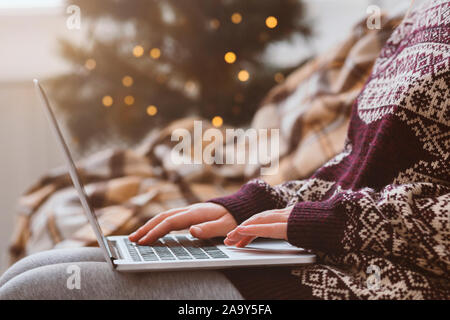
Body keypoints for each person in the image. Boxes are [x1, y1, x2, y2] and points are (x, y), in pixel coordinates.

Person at [0, 0, 448, 299]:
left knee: (36, 290)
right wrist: (254, 203)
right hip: (331, 245)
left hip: (384, 280)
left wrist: (333, 222)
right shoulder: (421, 14)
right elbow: (358, 167)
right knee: (29, 273)